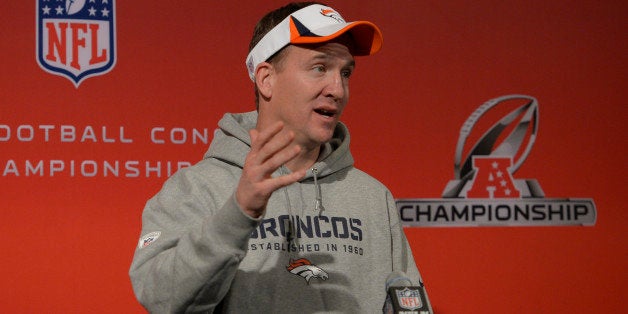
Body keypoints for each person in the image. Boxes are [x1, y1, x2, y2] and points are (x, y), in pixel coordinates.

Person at [129, 2, 432, 313]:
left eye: (345, 72)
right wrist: (239, 211)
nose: (338, 89)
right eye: (319, 67)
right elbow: (160, 297)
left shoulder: (372, 196)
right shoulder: (198, 188)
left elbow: (409, 304)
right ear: (266, 79)